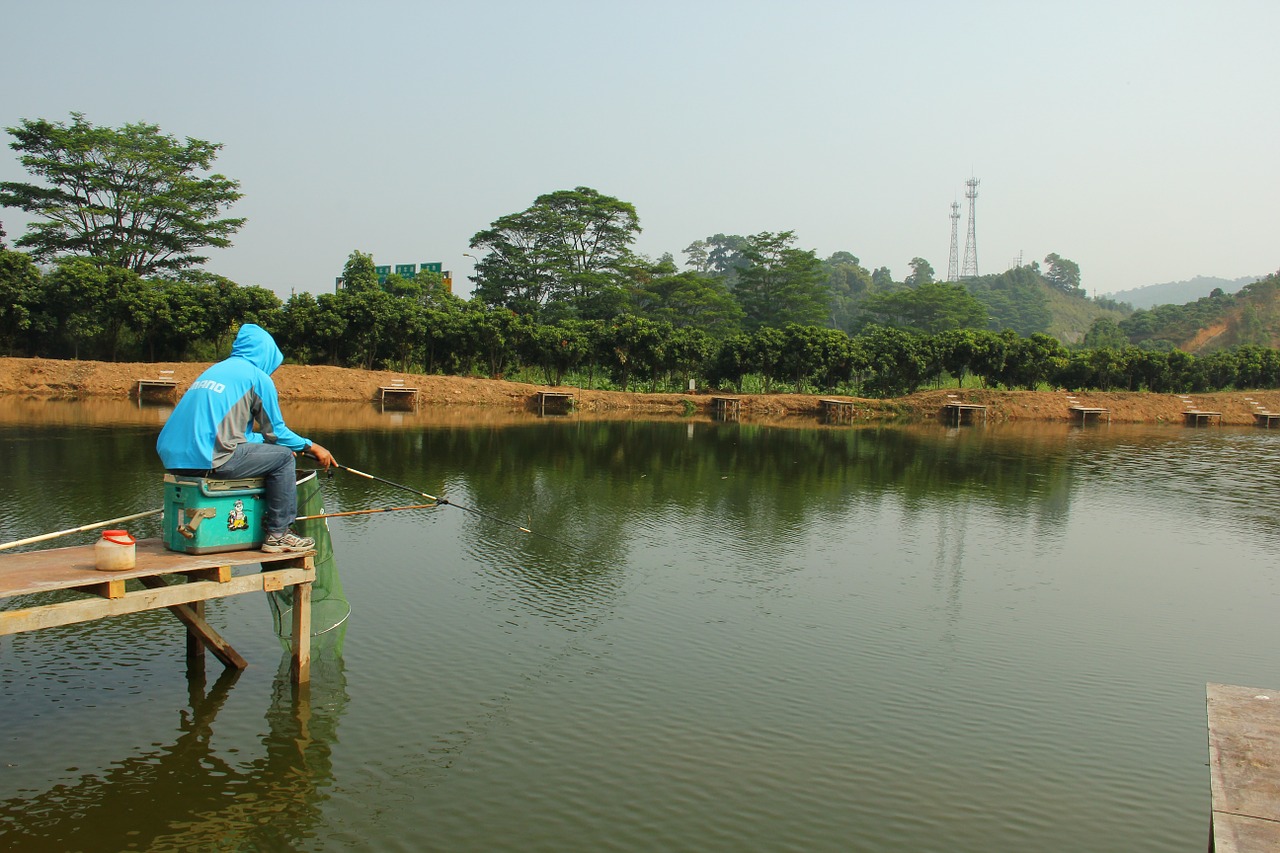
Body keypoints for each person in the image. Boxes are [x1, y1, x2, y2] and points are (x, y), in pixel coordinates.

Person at [157, 323, 336, 553]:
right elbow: (277, 433)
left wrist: (267, 448)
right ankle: (278, 534)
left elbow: (239, 434)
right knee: (283, 458)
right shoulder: (256, 377)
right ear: (267, 354)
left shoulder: (215, 371)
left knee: (276, 453)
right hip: (209, 457)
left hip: (175, 460)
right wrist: (312, 447)